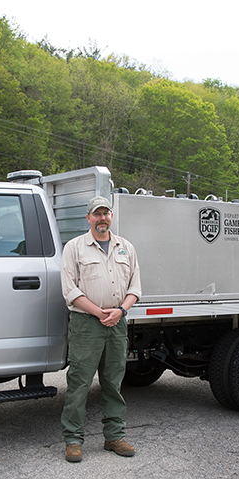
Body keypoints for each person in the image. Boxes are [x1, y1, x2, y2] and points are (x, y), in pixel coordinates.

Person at [60, 195, 142, 463]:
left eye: (106, 213)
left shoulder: (126, 247)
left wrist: (120, 311)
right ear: (88, 218)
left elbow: (135, 288)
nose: (102, 218)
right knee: (79, 383)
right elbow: (70, 290)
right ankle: (73, 439)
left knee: (113, 383)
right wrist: (99, 313)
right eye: (97, 214)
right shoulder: (74, 248)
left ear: (112, 216)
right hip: (86, 324)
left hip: (117, 323)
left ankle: (114, 436)